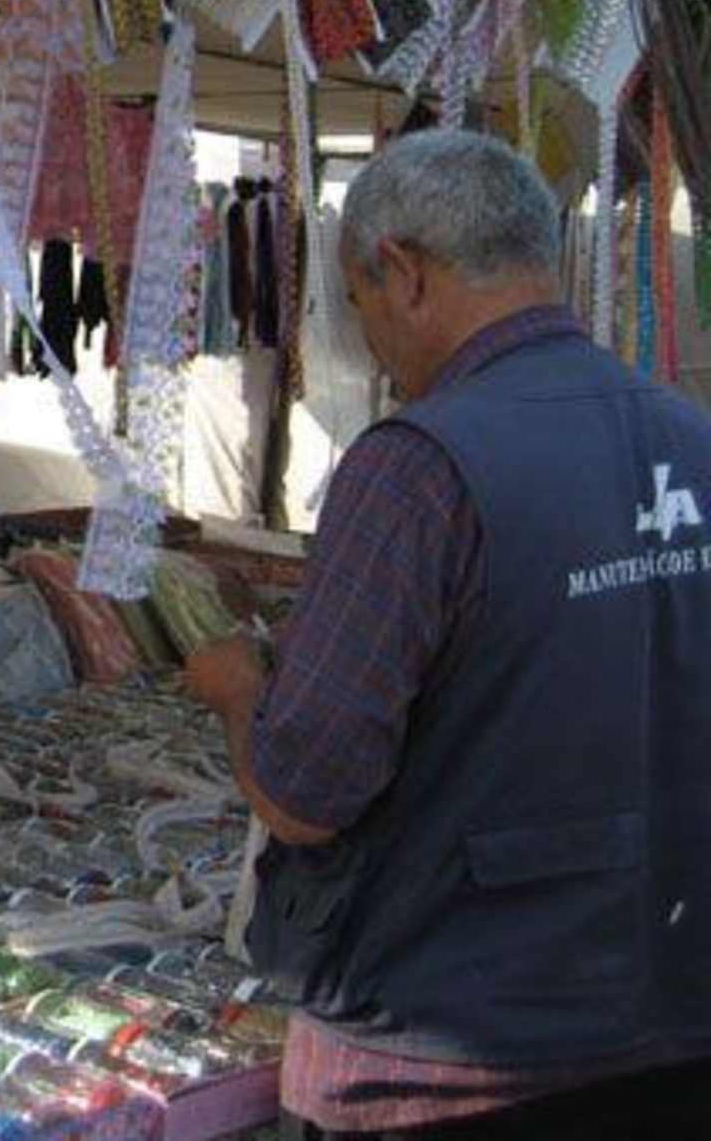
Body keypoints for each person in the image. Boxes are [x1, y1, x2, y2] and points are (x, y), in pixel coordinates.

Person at [183, 130, 710, 1139]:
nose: (370, 343)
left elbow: (304, 793)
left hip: (448, 1055)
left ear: (406, 273)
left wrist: (238, 686)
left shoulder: (419, 466)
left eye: (360, 302)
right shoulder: (690, 437)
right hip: (671, 1020)